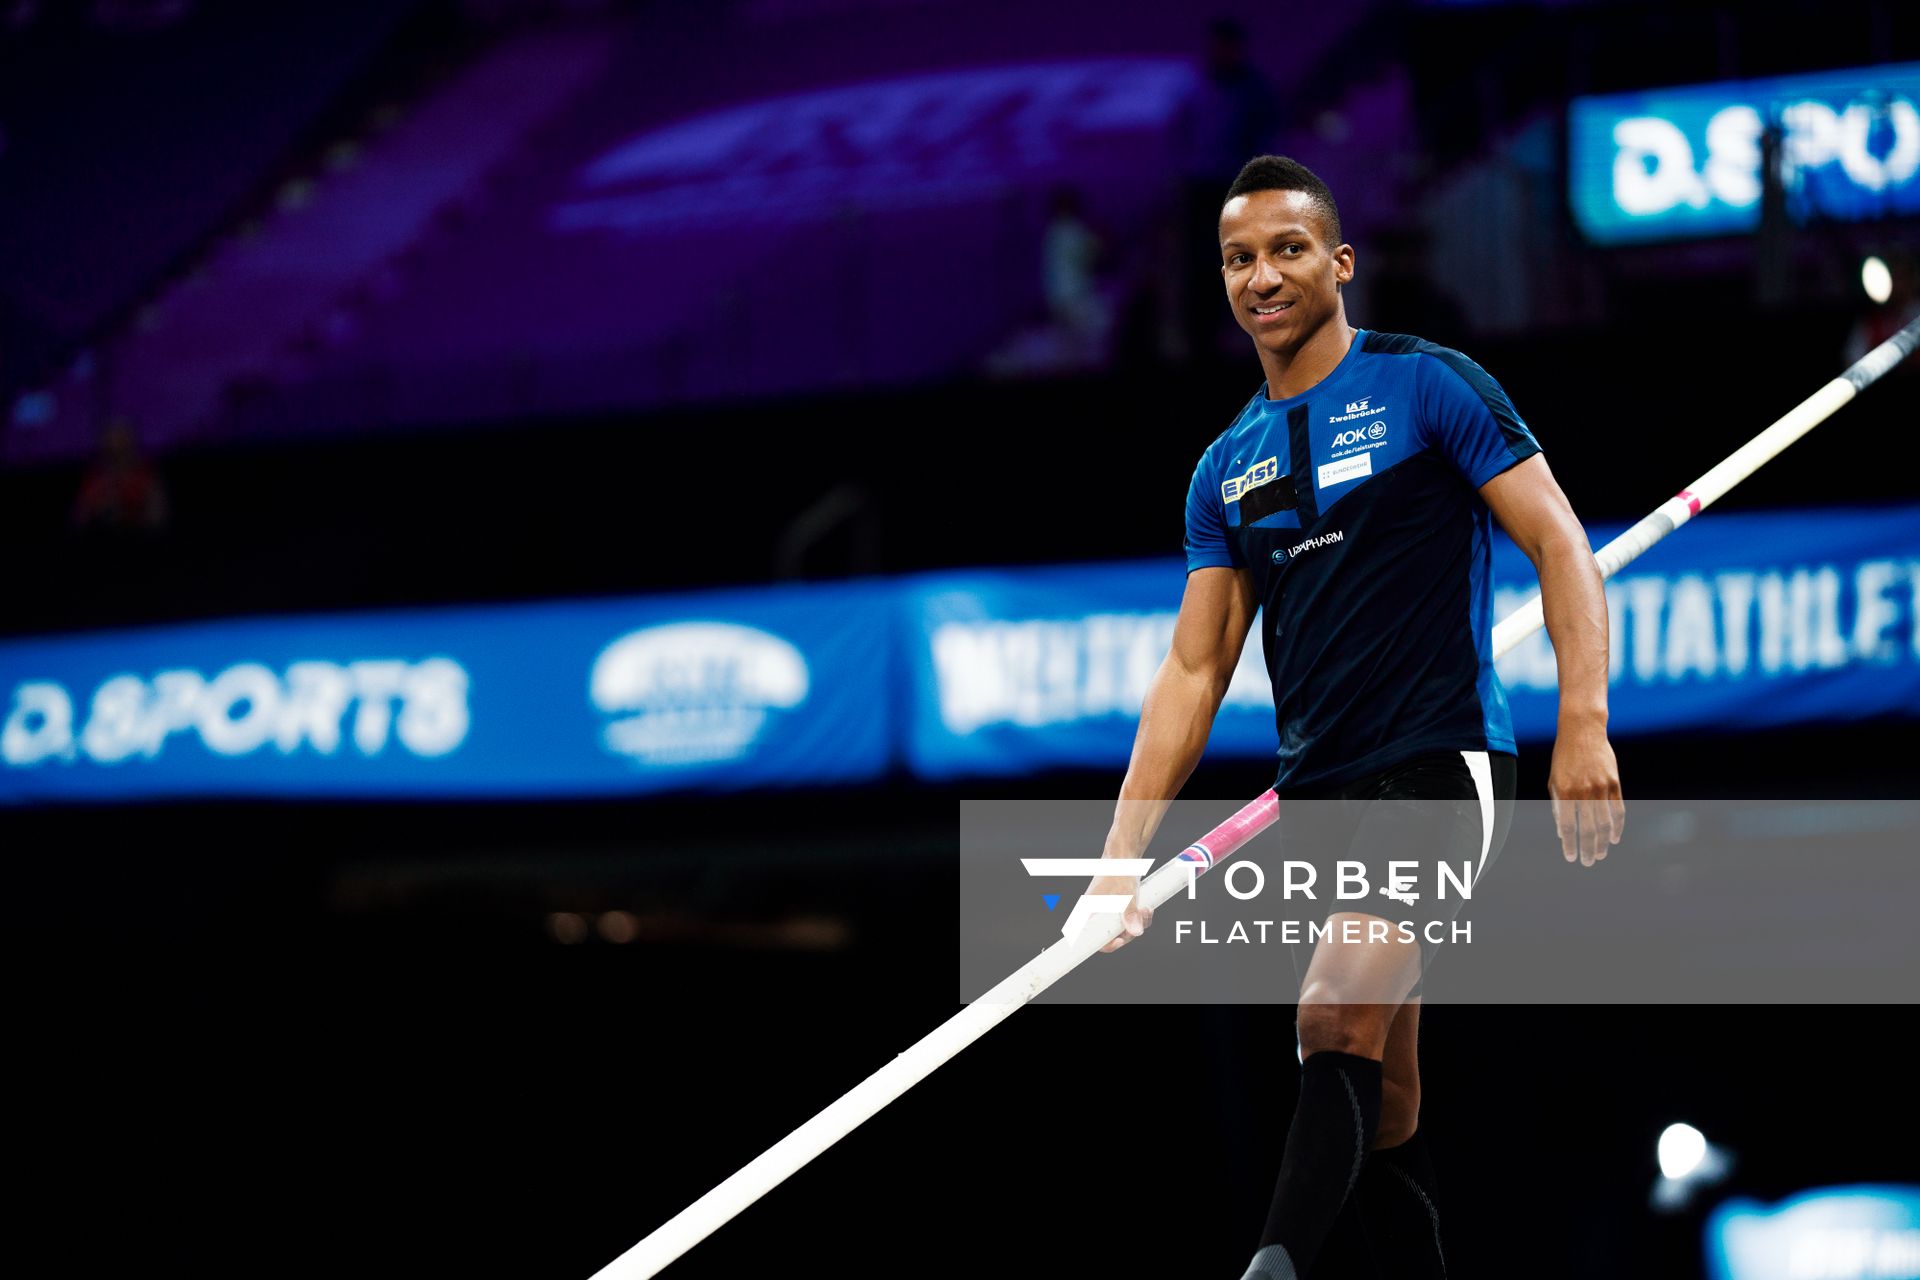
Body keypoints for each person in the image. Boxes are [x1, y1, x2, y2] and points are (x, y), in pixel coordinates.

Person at [1081, 155, 1623, 1278]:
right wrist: (1117, 861)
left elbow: (1562, 542)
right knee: (1381, 1103)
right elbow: (1191, 673)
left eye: (1286, 250)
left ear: (1340, 261)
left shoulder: (1429, 386)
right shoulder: (1224, 469)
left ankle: (1269, 1266)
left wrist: (1586, 723)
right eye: (1238, 258)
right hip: (1328, 798)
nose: (1262, 276)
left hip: (1442, 767)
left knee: (1328, 1018)